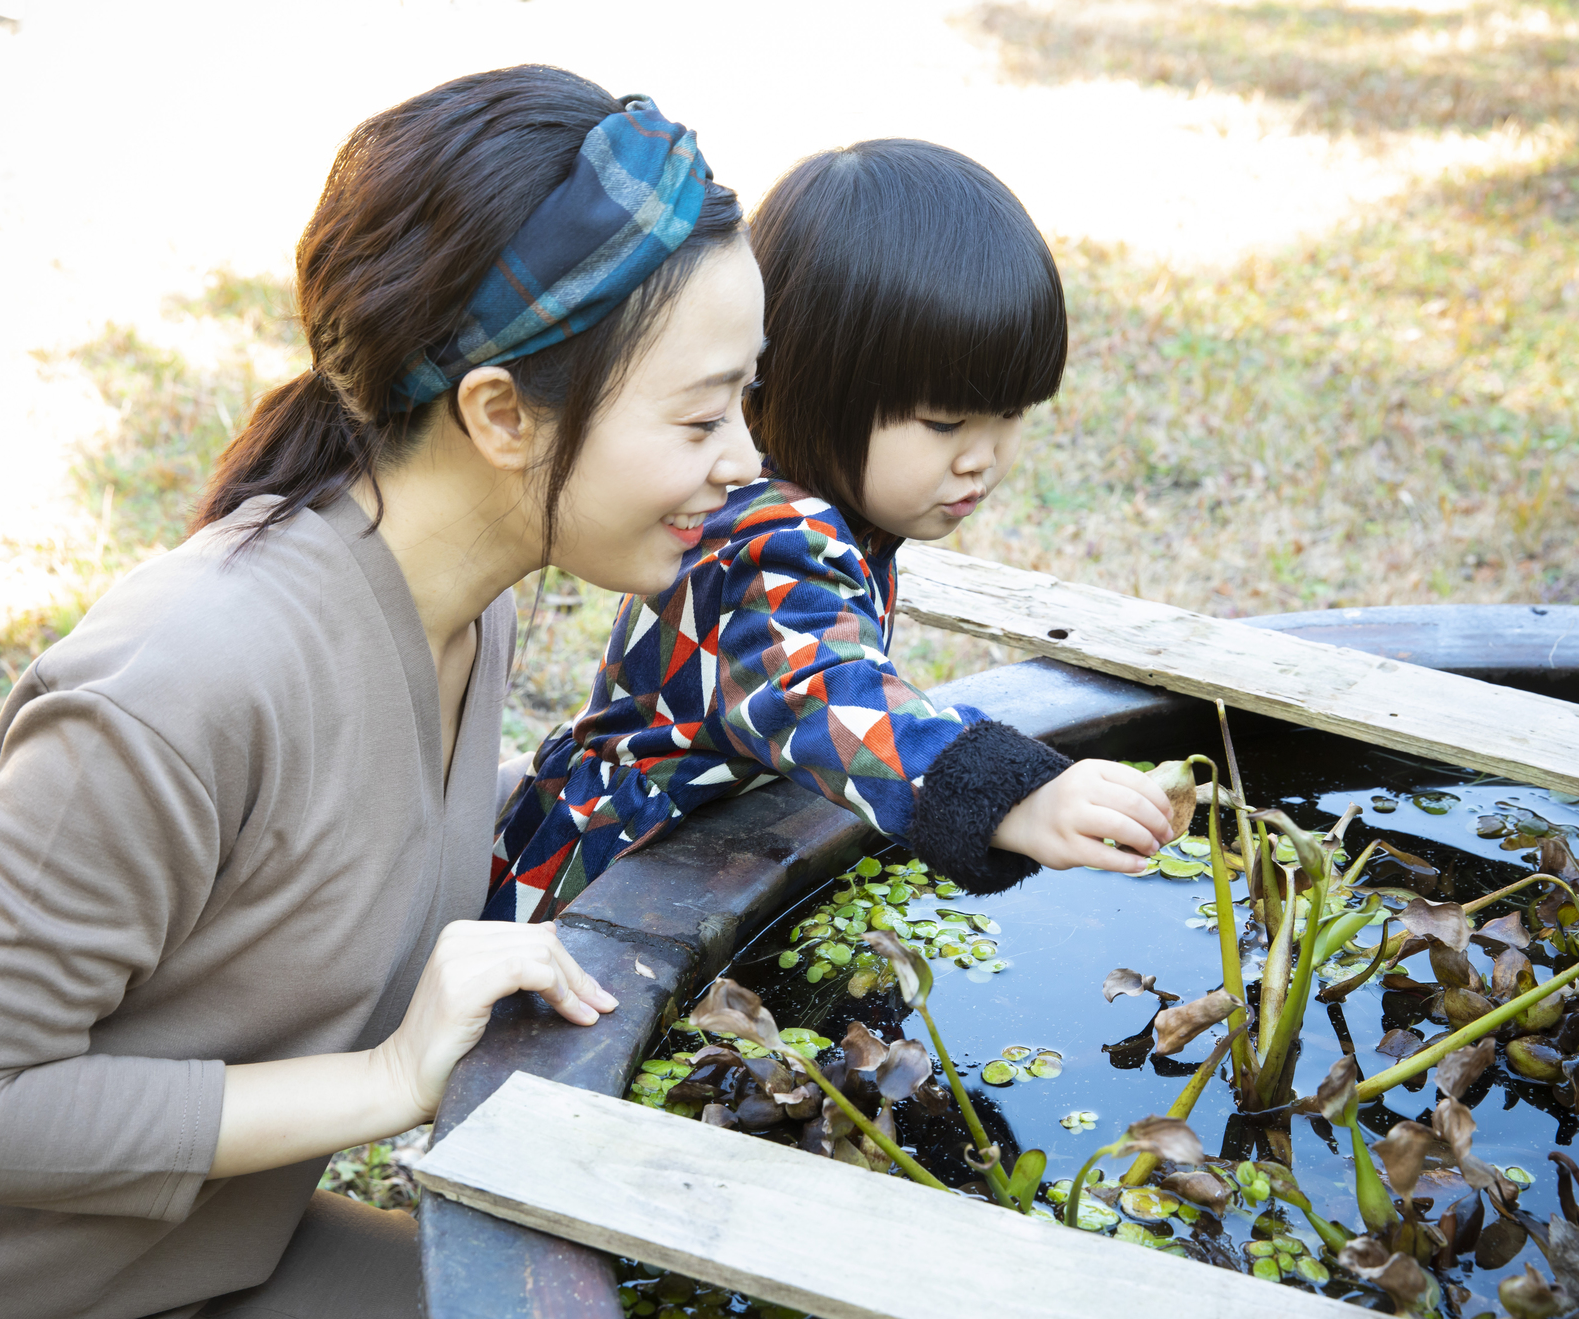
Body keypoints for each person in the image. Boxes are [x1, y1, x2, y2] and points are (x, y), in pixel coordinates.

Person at [0, 66, 765, 1319]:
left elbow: (353, 843)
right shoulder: (183, 680)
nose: (744, 460)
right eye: (702, 416)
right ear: (500, 415)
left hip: (200, 1259)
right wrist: (384, 1077)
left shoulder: (458, 596)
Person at [492, 139, 1176, 923]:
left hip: (686, 852)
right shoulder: (774, 537)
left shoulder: (822, 509)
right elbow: (824, 689)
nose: (982, 458)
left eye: (1011, 415)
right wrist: (1013, 793)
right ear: (818, 385)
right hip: (597, 893)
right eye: (947, 421)